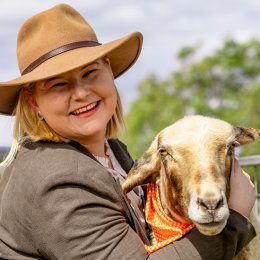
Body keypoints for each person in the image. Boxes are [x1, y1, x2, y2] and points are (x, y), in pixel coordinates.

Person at [0, 3, 256, 260]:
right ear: (33, 101)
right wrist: (236, 216)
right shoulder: (58, 181)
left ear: (109, 70)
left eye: (90, 72)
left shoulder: (112, 151)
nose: (81, 93)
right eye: (58, 84)